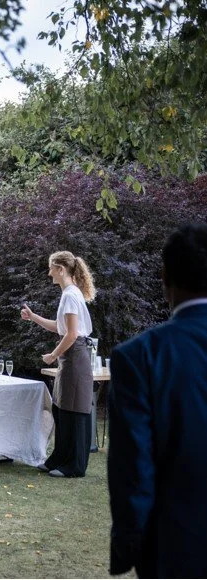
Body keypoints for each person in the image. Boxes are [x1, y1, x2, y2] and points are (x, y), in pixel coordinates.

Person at [107, 224, 207, 578]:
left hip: (178, 544)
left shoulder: (141, 357)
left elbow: (133, 466)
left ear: (164, 276)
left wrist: (126, 546)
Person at [20, 250, 96, 478]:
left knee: (73, 411)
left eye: (51, 267)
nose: (48, 272)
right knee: (62, 409)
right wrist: (33, 317)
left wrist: (52, 356)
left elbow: (72, 334)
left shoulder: (71, 295)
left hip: (75, 358)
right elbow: (60, 327)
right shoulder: (69, 294)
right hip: (70, 359)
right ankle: (58, 459)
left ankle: (74, 466)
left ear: (60, 269)